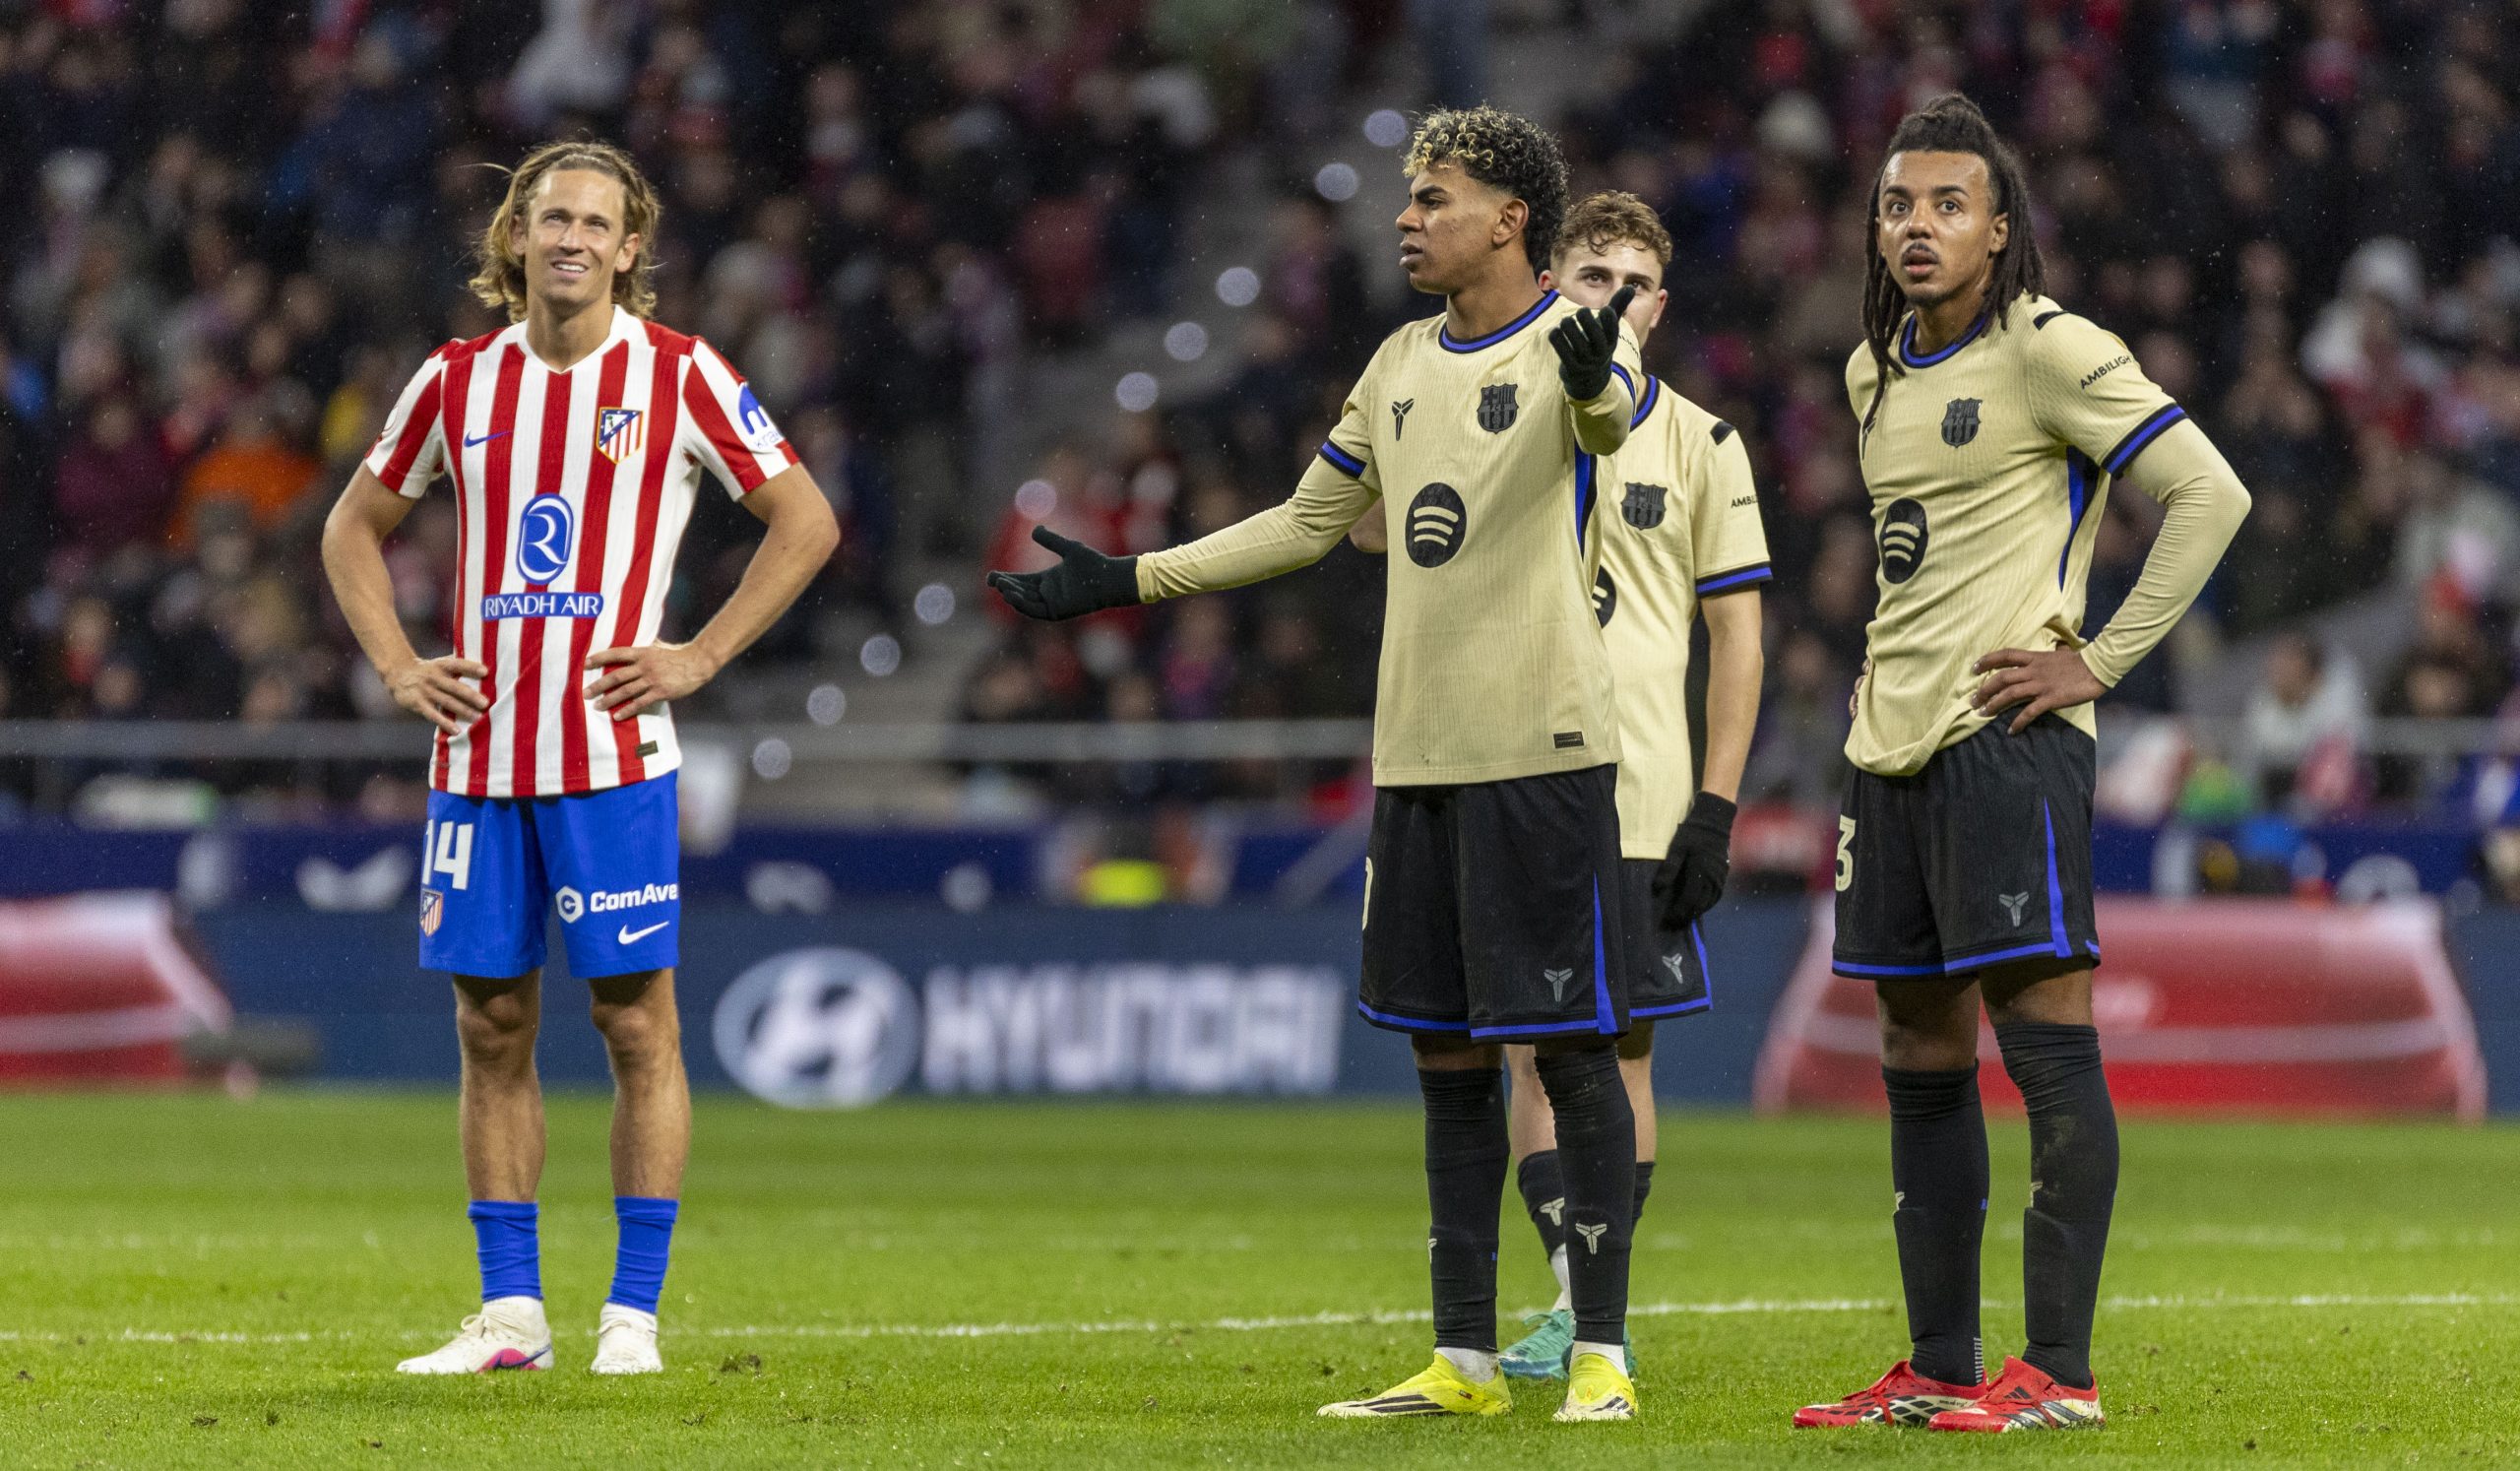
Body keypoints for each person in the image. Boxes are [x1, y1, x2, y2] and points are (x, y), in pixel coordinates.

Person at [989, 105, 1649, 1423]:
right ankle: (1464, 1360)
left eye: (1435, 197)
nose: (1407, 217)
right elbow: (1305, 522)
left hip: (1542, 754)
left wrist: (1590, 373)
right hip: (1416, 760)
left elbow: (1609, 421)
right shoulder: (1397, 362)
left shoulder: (1579, 342)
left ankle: (1600, 1355)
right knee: (1446, 1061)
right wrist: (1131, 577)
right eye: (1409, 196)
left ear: (1510, 219)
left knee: (1572, 1051)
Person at [320, 140, 838, 1375]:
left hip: (611, 757)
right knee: (491, 1025)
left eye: (596, 223)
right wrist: (399, 666)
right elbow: (351, 526)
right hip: (477, 757)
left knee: (635, 1025)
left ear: (628, 248)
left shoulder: (680, 373)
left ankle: (631, 1317)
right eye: (551, 217)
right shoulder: (454, 380)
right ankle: (511, 1319)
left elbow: (805, 520)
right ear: (514, 236)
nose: (571, 239)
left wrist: (700, 655)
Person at [1794, 95, 2249, 1433]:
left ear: (1998, 229)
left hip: (2006, 742)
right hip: (1887, 750)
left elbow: (2208, 493)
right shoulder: (1873, 371)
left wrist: (2099, 660)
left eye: (1948, 205)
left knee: (2045, 1041)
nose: (1917, 226)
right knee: (1916, 1042)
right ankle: (1941, 1365)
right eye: (1897, 204)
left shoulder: (2053, 350)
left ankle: (2060, 1373)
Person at [1347, 189, 1769, 1381]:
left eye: (1632, 286)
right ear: (1551, 281)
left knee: (1613, 1051)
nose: (1612, 301)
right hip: (1505, 767)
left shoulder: (1701, 443)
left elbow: (1737, 638)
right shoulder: (1497, 403)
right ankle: (1578, 1305)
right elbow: (1364, 523)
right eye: (1592, 278)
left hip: (1637, 790)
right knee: (1518, 1048)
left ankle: (1589, 1317)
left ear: (1659, 307)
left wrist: (1716, 804)